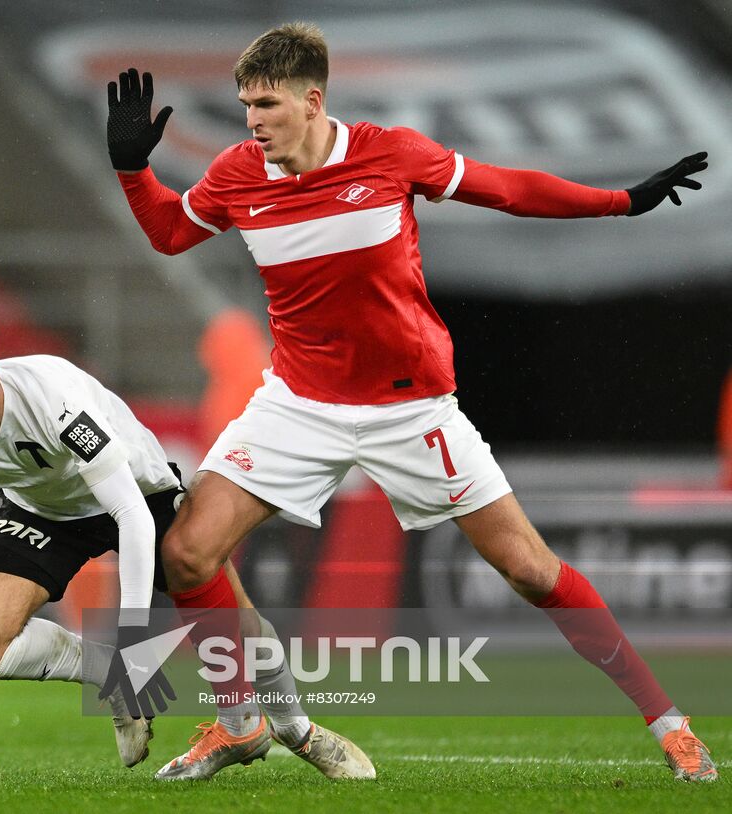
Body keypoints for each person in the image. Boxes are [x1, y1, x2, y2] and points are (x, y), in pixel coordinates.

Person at [106, 23, 717, 783]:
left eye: (265, 103)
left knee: (530, 570)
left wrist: (622, 201)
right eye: (244, 104)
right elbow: (169, 233)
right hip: (298, 402)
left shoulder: (389, 152)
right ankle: (240, 724)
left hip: (412, 410)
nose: (251, 119)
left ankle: (671, 723)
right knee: (189, 551)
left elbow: (507, 189)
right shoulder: (236, 173)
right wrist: (133, 171)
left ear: (312, 99)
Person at [0, 302, 373, 778]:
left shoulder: (53, 399)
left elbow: (130, 513)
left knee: (225, 611)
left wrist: (136, 640)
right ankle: (113, 678)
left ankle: (296, 729)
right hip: (42, 511)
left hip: (133, 493)